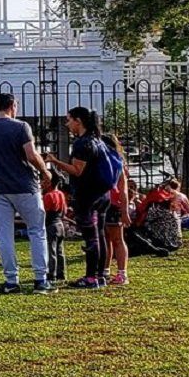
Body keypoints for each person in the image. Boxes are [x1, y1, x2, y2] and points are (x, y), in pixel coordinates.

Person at [0, 92, 54, 294]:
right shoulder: (21, 127)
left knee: (4, 235)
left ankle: (11, 281)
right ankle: (40, 279)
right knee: (36, 231)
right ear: (12, 106)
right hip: (25, 186)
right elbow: (31, 154)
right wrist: (45, 171)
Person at [47, 107, 118, 289]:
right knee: (100, 235)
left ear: (78, 121)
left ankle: (91, 277)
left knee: (91, 238)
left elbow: (78, 171)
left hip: (88, 197)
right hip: (103, 195)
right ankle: (101, 275)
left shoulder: (82, 144)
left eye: (69, 119)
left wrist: (55, 162)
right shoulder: (99, 141)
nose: (67, 124)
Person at [102, 135, 131, 284]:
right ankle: (105, 270)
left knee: (117, 239)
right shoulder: (107, 162)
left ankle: (122, 273)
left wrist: (125, 211)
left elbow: (123, 190)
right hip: (105, 203)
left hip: (113, 205)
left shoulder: (117, 164)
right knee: (106, 239)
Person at [41, 168, 68, 283]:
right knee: (60, 250)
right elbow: (64, 211)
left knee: (51, 251)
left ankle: (52, 274)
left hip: (51, 225)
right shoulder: (60, 194)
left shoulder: (48, 196)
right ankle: (61, 273)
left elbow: (44, 212)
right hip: (60, 224)